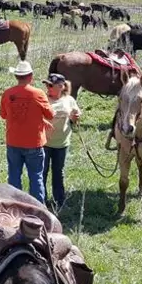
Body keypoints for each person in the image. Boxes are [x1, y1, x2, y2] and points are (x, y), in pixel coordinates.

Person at [0, 60, 54, 204]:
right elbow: (50, 115)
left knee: (14, 176)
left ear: (16, 76)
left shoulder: (7, 93)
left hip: (13, 142)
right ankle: (38, 209)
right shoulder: (38, 93)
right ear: (30, 76)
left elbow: (3, 115)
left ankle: (14, 205)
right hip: (34, 143)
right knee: (36, 177)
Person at [42, 73, 81, 209]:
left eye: (50, 85)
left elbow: (75, 117)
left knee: (58, 172)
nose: (47, 87)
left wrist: (75, 117)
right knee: (42, 172)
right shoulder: (43, 99)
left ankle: (59, 201)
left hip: (62, 143)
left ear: (61, 86)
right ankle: (41, 201)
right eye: (46, 84)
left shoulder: (69, 100)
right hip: (44, 143)